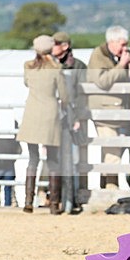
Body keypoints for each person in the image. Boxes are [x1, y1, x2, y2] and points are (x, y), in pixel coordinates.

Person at [17, 35, 68, 214]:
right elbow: (64, 95)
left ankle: (28, 201)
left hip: (31, 114)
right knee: (53, 161)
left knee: (33, 159)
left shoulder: (28, 66)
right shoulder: (57, 68)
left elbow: (26, 83)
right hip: (50, 115)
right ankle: (54, 204)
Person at [87, 26, 130, 190]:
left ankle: (106, 188)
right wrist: (122, 67)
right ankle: (111, 190)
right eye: (122, 44)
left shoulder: (126, 55)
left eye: (126, 44)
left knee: (116, 151)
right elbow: (103, 81)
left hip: (123, 112)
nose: (125, 48)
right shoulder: (98, 56)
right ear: (112, 41)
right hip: (105, 113)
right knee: (112, 152)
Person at [52, 31, 88, 212]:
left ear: (65, 46)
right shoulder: (49, 64)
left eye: (56, 43)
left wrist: (79, 117)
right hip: (54, 117)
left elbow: (82, 93)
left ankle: (73, 199)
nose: (53, 47)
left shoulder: (79, 66)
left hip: (71, 117)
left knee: (73, 161)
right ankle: (55, 199)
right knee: (54, 160)